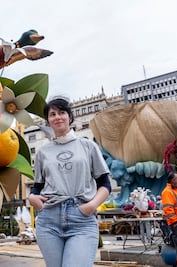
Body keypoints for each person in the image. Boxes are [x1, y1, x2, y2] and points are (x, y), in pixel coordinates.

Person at [28, 97, 111, 267]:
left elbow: (105, 184)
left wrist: (91, 206)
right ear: (48, 120)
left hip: (81, 217)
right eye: (52, 114)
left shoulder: (88, 146)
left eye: (62, 112)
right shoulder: (43, 152)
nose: (57, 117)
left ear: (70, 117)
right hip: (49, 219)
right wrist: (32, 198)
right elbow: (37, 187)